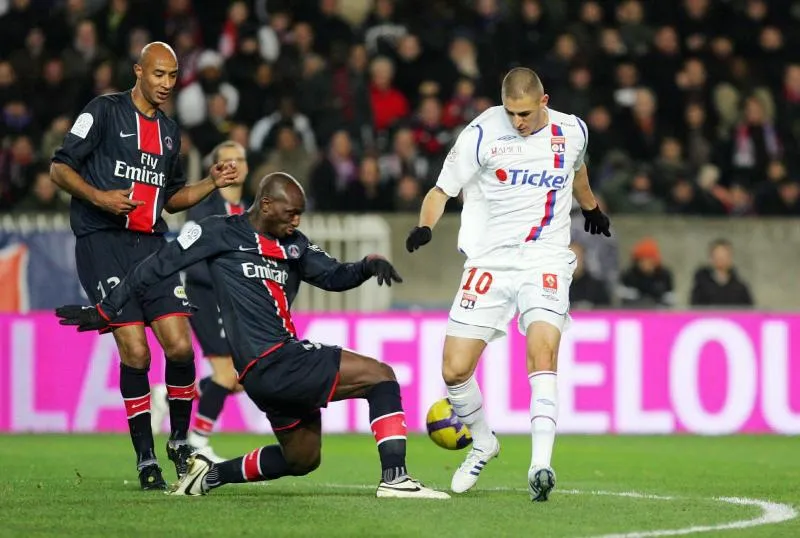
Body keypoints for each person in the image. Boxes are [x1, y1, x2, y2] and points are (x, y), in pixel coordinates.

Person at [56, 173, 449, 500]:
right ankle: (395, 478)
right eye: (290, 213)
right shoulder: (218, 233)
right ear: (265, 205)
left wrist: (366, 265)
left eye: (299, 214)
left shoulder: (293, 244)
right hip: (274, 358)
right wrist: (108, 308)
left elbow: (332, 275)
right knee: (381, 376)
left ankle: (207, 477)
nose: (296, 221)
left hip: (265, 373)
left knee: (302, 460)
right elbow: (156, 266)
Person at [405, 67, 611, 502]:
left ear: (544, 101)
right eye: (510, 112)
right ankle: (484, 441)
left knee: (542, 352)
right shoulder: (480, 134)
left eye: (523, 113)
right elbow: (441, 191)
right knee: (454, 370)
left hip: (545, 258)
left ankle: (540, 465)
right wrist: (425, 227)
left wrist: (591, 207)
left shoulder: (573, 130)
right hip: (491, 260)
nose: (516, 121)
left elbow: (577, 171)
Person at [50, 41, 240, 490]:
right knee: (135, 351)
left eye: (173, 76)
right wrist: (99, 198)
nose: (166, 84)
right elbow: (59, 169)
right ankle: (144, 458)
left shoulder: (171, 132)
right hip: (102, 244)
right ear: (138, 71)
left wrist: (210, 183)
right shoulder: (102, 111)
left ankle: (178, 441)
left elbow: (170, 199)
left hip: (152, 246)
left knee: (178, 347)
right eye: (158, 74)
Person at [150, 141, 250, 461]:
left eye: (239, 159)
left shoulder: (248, 211)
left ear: (247, 167)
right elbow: (190, 258)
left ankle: (171, 394)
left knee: (241, 378)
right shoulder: (205, 208)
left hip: (234, 302)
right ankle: (197, 441)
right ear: (216, 168)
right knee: (226, 375)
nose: (234, 165)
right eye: (226, 161)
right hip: (205, 296)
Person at [690, 238, 753, 307]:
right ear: (711, 258)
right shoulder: (701, 284)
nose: (720, 259)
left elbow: (748, 309)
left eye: (724, 256)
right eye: (717, 256)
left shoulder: (739, 287)